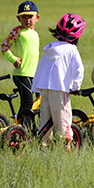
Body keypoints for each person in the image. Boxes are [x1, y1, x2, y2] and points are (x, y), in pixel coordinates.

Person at [31, 13, 86, 147]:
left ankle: (45, 146)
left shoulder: (49, 48)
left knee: (45, 119)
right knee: (63, 120)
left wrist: (36, 87)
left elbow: (40, 67)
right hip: (59, 88)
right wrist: (76, 86)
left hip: (45, 88)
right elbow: (79, 69)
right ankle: (66, 147)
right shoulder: (72, 50)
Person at [0, 0, 40, 127]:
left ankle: (18, 126)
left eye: (30, 16)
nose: (27, 19)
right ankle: (27, 129)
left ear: (37, 17)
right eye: (24, 16)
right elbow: (4, 46)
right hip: (21, 74)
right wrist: (13, 59)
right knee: (28, 103)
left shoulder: (35, 33)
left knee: (27, 103)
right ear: (18, 18)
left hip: (33, 74)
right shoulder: (17, 31)